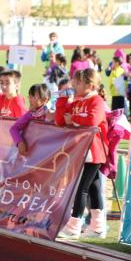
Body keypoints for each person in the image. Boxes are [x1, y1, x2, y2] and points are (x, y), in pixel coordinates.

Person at [55, 68, 108, 239]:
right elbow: (60, 120)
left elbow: (92, 120)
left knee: (81, 188)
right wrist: (62, 100)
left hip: (94, 151)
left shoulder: (97, 101)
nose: (74, 86)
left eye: (77, 83)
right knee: (93, 188)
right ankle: (98, 227)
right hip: (81, 152)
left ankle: (74, 225)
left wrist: (75, 119)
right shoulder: (77, 100)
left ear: (89, 84)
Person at [10, 84, 54, 155]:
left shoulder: (54, 112)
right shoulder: (31, 114)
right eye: (30, 96)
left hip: (51, 151)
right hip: (36, 153)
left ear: (46, 99)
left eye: (33, 96)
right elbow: (14, 129)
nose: (30, 99)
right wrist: (20, 142)